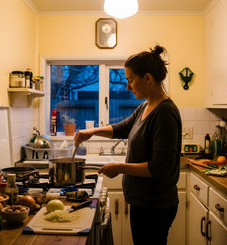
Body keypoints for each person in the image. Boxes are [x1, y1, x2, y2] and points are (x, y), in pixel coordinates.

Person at [74, 45, 181, 245]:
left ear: (147, 78)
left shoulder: (165, 113)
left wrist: (121, 167)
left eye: (131, 80)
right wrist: (92, 131)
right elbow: (122, 128)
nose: (127, 87)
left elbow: (160, 166)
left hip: (155, 205)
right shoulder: (146, 106)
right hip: (143, 202)